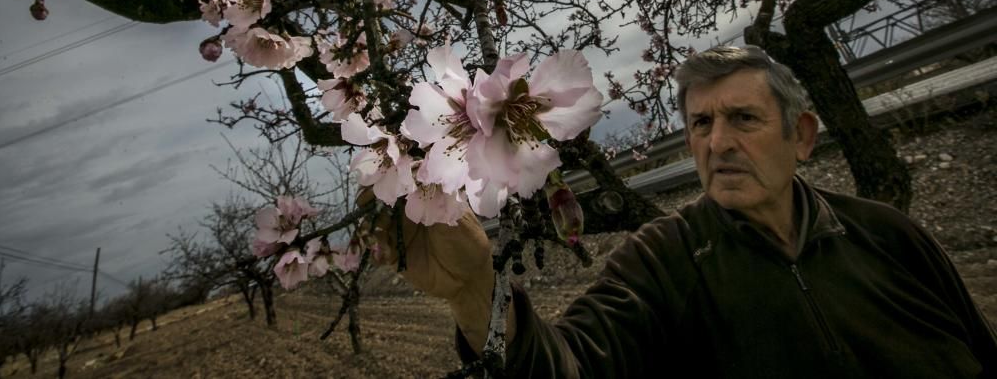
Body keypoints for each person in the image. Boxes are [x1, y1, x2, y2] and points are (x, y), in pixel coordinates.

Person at [378, 45, 997, 377]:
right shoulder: (661, 261)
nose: (717, 142)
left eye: (744, 119)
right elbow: (570, 369)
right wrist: (477, 294)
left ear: (803, 135)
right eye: (700, 123)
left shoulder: (889, 235)